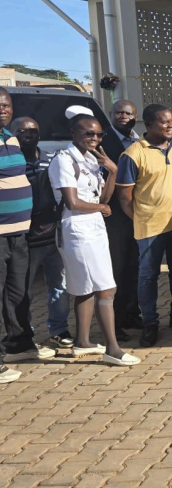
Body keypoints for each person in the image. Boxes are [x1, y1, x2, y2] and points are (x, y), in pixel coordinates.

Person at [51, 114, 140, 366]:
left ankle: (83, 342)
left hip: (94, 227)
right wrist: (100, 209)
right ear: (73, 132)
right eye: (88, 133)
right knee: (104, 287)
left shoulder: (92, 159)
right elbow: (72, 202)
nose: (94, 138)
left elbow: (103, 198)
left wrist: (112, 171)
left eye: (99, 134)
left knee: (87, 288)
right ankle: (113, 348)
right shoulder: (64, 160)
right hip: (77, 228)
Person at [116, 104, 172, 347]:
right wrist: (142, 220)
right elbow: (124, 198)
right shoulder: (133, 154)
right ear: (149, 125)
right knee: (148, 276)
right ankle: (150, 322)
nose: (170, 125)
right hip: (150, 229)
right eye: (164, 122)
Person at [0, 94, 49, 377]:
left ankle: (18, 344)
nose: (3, 110)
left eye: (6, 105)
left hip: (19, 232)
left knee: (18, 292)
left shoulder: (12, 139)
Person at [13, 117, 72, 350]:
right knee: (23, 290)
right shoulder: (9, 162)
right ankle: (24, 333)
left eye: (33, 131)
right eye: (22, 131)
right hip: (24, 237)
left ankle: (59, 329)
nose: (28, 134)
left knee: (60, 284)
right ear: (12, 134)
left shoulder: (52, 159)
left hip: (53, 232)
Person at [102, 99, 142, 341]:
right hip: (114, 214)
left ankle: (131, 313)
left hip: (136, 213)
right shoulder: (103, 140)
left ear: (135, 116)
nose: (123, 116)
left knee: (133, 266)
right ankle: (114, 322)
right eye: (118, 112)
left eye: (128, 113)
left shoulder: (140, 141)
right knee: (116, 269)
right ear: (111, 114)